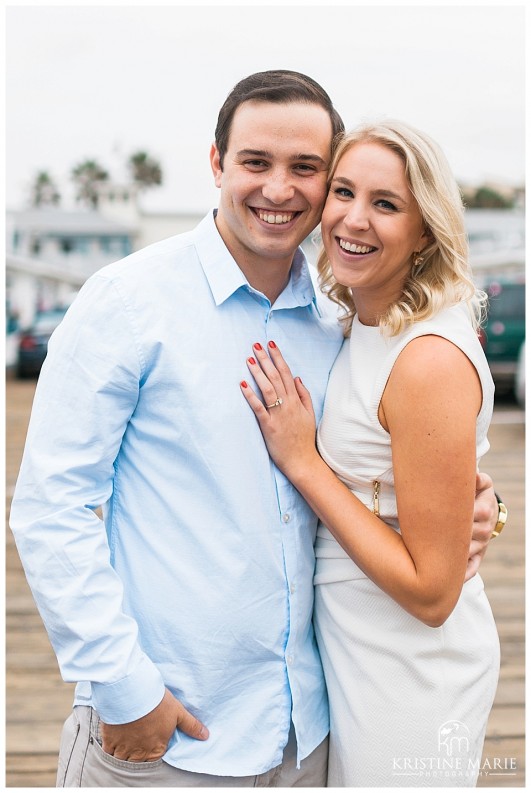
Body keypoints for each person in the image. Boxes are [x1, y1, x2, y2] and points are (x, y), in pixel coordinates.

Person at [10, 73, 500, 788]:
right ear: (216, 164)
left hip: (309, 733)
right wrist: (122, 686)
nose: (279, 188)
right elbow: (51, 507)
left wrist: (476, 506)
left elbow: (391, 461)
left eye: (305, 168)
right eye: (254, 162)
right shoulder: (129, 301)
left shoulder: (336, 324)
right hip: (169, 730)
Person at [240, 119, 501, 787]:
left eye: (385, 204)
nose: (353, 219)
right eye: (343, 192)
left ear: (424, 231)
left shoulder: (426, 359)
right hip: (351, 648)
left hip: (410, 668)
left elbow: (432, 591)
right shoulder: (360, 322)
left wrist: (303, 462)